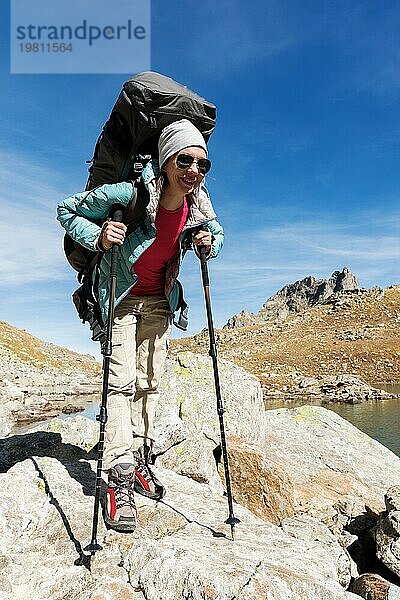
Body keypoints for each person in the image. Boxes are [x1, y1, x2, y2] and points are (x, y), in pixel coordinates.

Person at [57, 119, 224, 532]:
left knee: (149, 382)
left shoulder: (198, 202)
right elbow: (66, 209)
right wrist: (97, 235)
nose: (194, 171)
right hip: (121, 298)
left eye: (203, 165)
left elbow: (216, 231)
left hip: (159, 304)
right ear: (166, 160)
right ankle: (116, 476)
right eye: (185, 160)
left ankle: (141, 459)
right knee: (119, 384)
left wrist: (209, 243)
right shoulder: (130, 193)